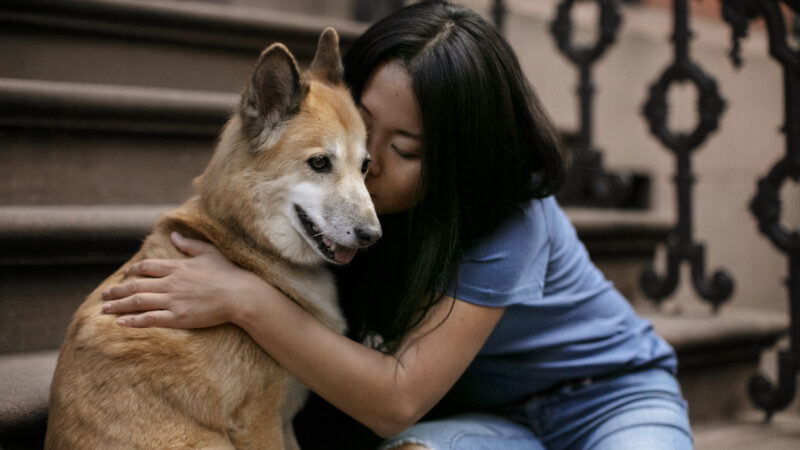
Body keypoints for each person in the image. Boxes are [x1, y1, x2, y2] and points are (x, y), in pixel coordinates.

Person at [101, 2, 693, 449]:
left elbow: (395, 400)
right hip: (485, 421)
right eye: (363, 128)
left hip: (609, 400)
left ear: (459, 161)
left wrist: (245, 299)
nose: (370, 165)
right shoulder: (345, 209)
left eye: (405, 149)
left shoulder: (511, 218)